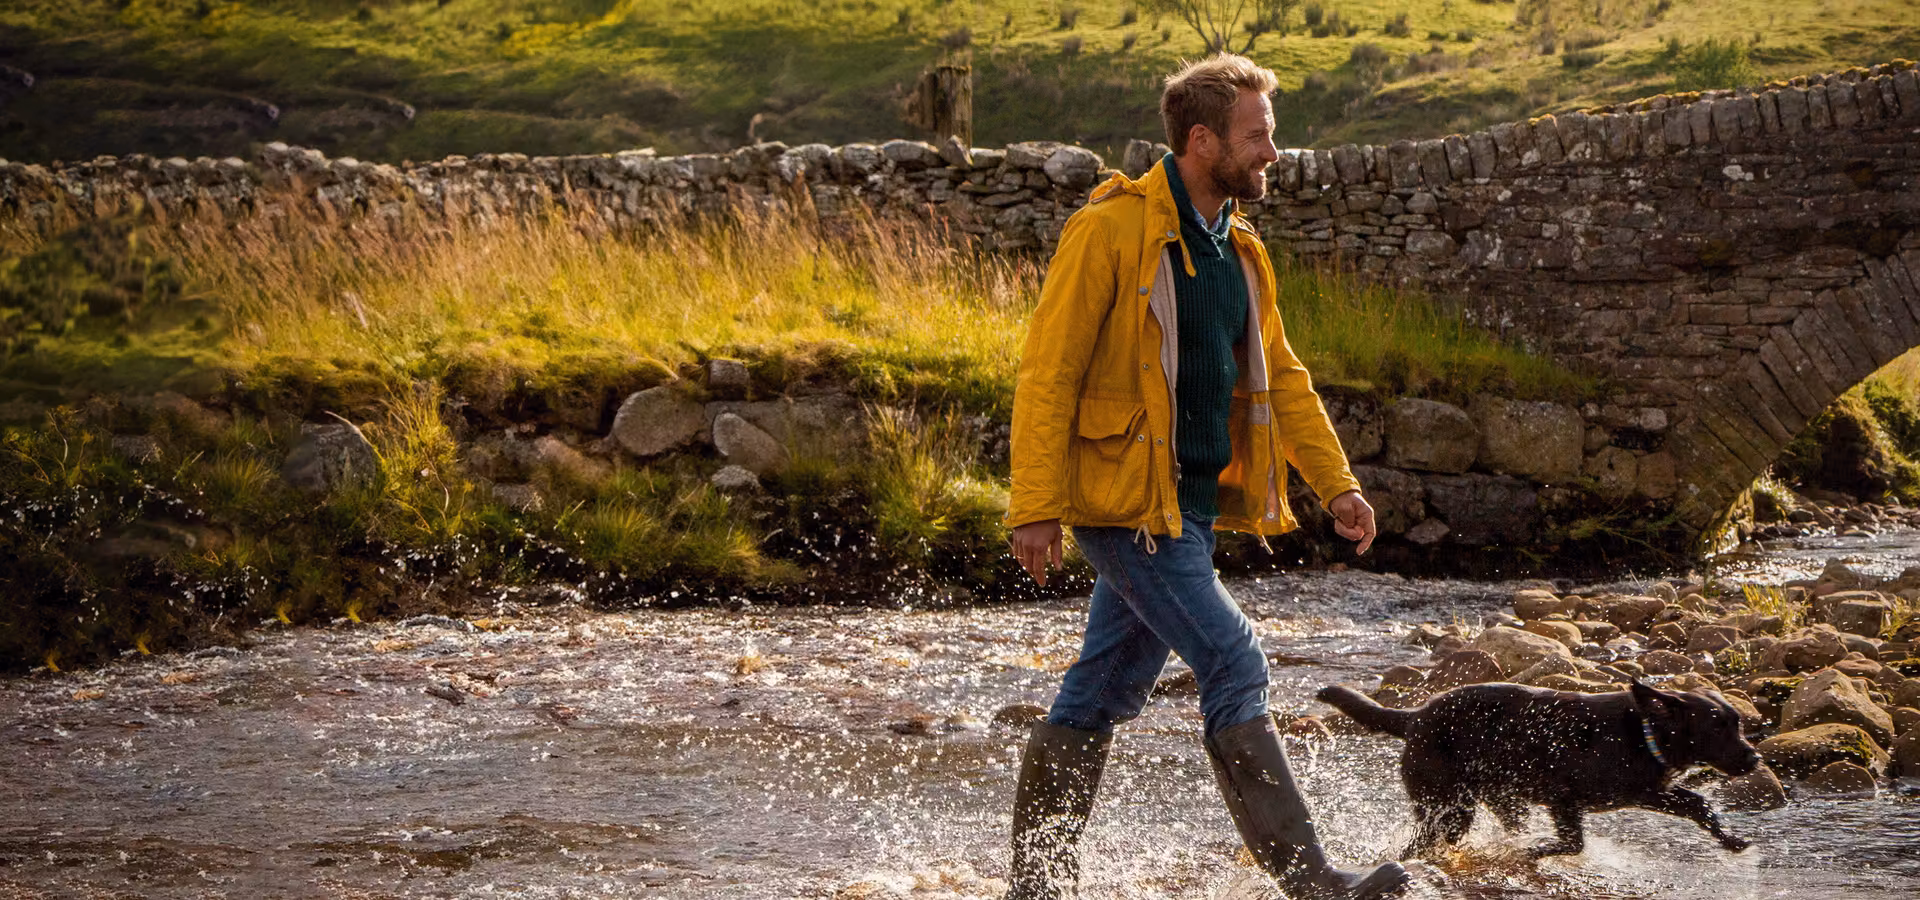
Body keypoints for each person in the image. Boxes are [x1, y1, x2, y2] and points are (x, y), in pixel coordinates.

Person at [1000, 53, 1409, 900]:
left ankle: (1037, 888)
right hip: (1124, 505)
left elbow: (1283, 377)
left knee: (1099, 692)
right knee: (1234, 661)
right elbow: (1048, 372)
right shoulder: (1109, 229)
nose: (1272, 153)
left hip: (1184, 505)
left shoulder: (1240, 249)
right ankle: (1313, 883)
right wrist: (1035, 504)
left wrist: (1336, 485)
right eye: (1257, 136)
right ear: (1200, 141)